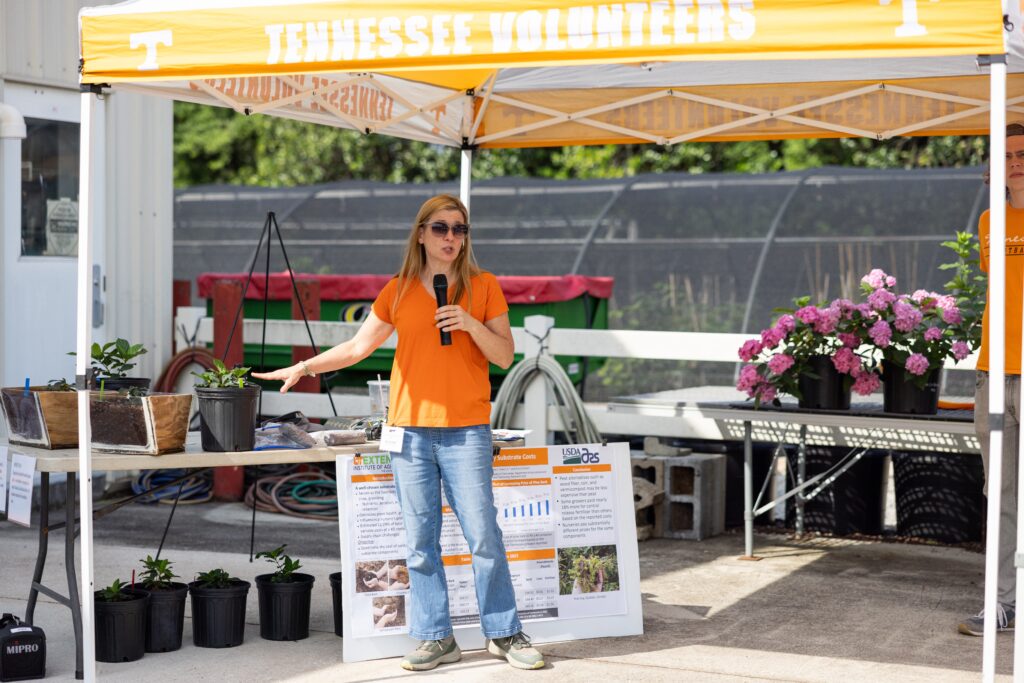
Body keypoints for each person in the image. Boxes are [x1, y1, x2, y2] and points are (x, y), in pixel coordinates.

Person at [253, 194, 544, 671]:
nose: (451, 237)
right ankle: (435, 637)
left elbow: (504, 355)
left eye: (460, 229)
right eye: (441, 228)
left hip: (466, 430)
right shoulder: (399, 289)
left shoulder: (483, 286)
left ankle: (505, 632)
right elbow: (355, 347)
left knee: (484, 536)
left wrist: (469, 323)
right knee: (419, 542)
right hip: (409, 430)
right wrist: (304, 366)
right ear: (421, 234)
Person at [958, 123, 1024, 636]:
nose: (1016, 163)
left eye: (1022, 154)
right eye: (1005, 156)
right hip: (993, 374)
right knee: (998, 496)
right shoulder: (988, 221)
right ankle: (1002, 603)